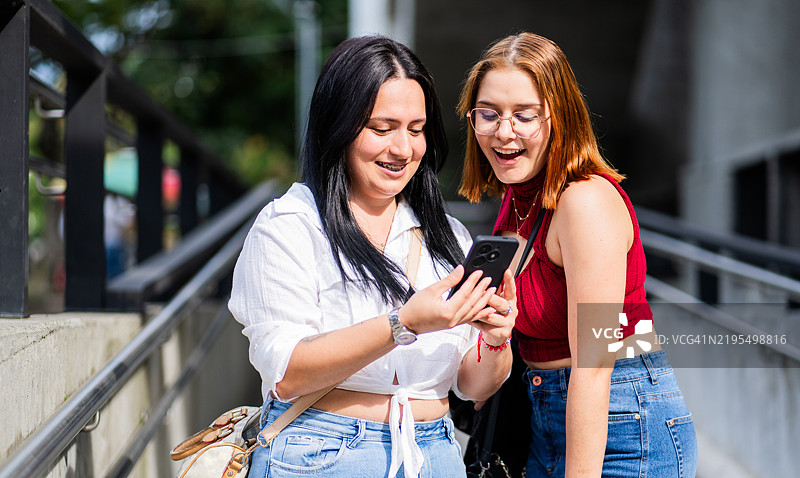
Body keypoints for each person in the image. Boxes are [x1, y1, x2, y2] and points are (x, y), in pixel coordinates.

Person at [229, 35, 516, 478]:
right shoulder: (290, 224)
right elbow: (286, 372)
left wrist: (497, 337)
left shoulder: (449, 237)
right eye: (381, 128)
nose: (402, 149)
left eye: (416, 129)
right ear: (338, 126)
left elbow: (471, 386)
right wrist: (405, 323)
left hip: (435, 453)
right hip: (322, 452)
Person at [457, 32, 697, 477]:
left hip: (623, 421)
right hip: (544, 416)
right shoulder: (517, 199)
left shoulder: (585, 201)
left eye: (524, 116)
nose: (503, 131)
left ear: (559, 116)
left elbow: (594, 367)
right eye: (488, 114)